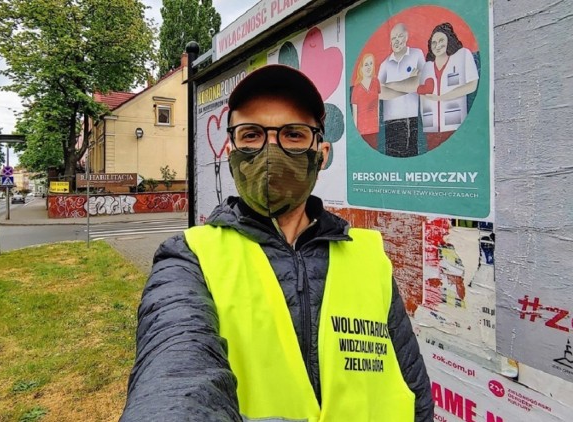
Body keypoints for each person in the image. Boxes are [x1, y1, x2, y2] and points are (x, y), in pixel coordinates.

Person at [120, 65, 433, 421]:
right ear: (230, 151)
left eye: (294, 134)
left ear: (322, 153)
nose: (271, 151)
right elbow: (174, 384)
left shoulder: (369, 258)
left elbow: (415, 393)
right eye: (251, 134)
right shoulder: (188, 260)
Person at [418, 22, 479, 151]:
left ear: (449, 40)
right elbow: (422, 96)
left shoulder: (462, 55)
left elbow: (472, 85)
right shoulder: (427, 67)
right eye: (433, 43)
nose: (437, 45)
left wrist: (441, 98)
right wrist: (425, 122)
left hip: (455, 124)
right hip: (431, 128)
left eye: (441, 40)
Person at [378, 23, 426, 157]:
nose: (396, 40)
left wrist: (389, 85)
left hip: (412, 117)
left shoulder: (417, 54)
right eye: (393, 38)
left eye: (400, 36)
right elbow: (379, 92)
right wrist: (408, 84)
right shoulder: (385, 64)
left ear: (406, 37)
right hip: (390, 120)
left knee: (411, 157)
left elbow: (419, 83)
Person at [351, 52, 381, 149]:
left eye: (371, 63)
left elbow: (379, 104)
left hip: (375, 128)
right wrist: (356, 133)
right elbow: (355, 114)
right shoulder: (356, 89)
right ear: (361, 68)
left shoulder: (376, 82)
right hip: (362, 131)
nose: (369, 67)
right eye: (366, 64)